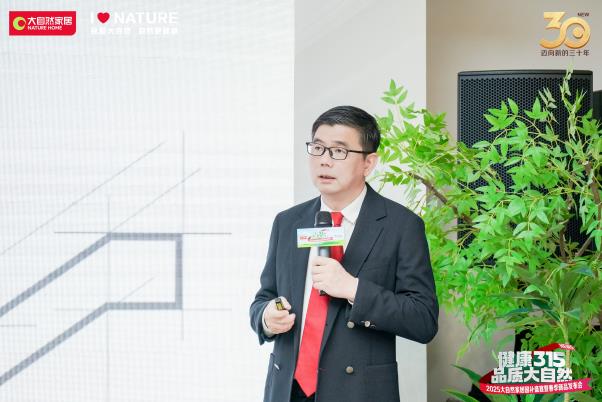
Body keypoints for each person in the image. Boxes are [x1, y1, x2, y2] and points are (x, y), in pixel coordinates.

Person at [249, 105, 438, 402]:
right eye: (317, 148)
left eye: (338, 151)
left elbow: (423, 320)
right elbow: (264, 298)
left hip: (358, 392)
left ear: (368, 162)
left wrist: (354, 289)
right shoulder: (288, 222)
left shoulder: (401, 226)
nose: (324, 160)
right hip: (287, 390)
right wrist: (266, 317)